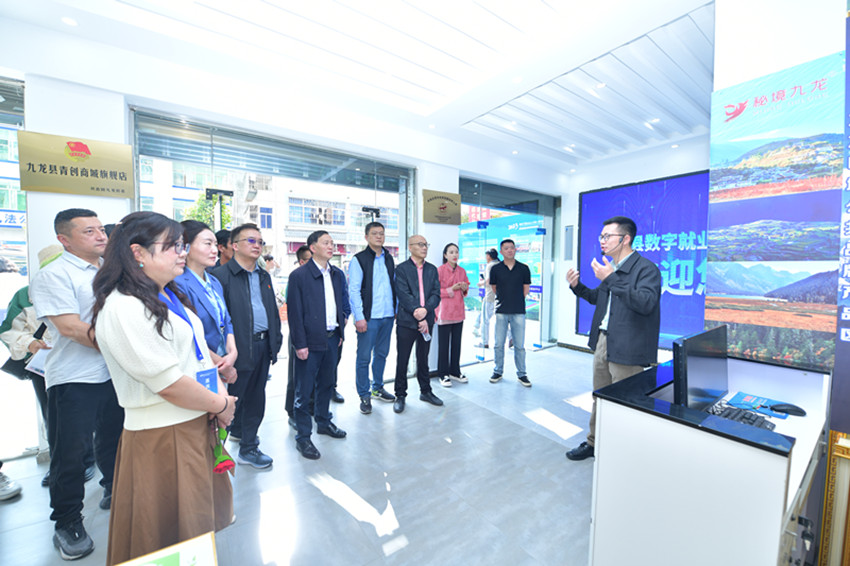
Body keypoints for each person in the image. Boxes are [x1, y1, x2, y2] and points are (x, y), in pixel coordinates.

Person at [90, 211, 236, 566]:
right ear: (138, 252)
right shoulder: (124, 306)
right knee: (165, 538)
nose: (182, 253)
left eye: (183, 245)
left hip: (191, 421)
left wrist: (217, 389)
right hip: (163, 434)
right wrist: (220, 405)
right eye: (173, 246)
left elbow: (192, 355)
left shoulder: (165, 295)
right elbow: (167, 384)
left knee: (192, 531)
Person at [29, 208, 124, 561]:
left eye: (101, 229)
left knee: (115, 441)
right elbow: (70, 327)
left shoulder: (110, 272)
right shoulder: (54, 275)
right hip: (74, 378)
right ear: (64, 239)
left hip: (114, 373)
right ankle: (67, 522)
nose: (101, 236)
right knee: (70, 454)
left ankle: (114, 488)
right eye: (89, 231)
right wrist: (126, 344)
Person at [564, 216, 661, 461]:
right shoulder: (613, 269)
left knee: (626, 401)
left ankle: (623, 450)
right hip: (603, 341)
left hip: (628, 346)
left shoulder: (646, 269)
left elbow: (646, 303)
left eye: (608, 236)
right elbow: (597, 298)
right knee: (600, 396)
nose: (602, 241)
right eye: (601, 236)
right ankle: (594, 442)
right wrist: (576, 286)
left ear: (625, 239)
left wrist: (611, 278)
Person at [211, 223, 282, 469]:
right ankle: (216, 453)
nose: (257, 245)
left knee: (255, 399)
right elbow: (218, 320)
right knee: (228, 403)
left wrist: (275, 341)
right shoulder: (220, 277)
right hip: (235, 351)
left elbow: (271, 311)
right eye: (250, 240)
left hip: (262, 346)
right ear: (234, 245)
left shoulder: (263, 276)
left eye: (260, 242)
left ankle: (249, 447)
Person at [0, 245, 62, 487]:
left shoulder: (84, 289)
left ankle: (86, 460)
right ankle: (58, 466)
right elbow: (8, 330)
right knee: (52, 415)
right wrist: (31, 343)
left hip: (80, 364)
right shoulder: (25, 295)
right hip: (42, 367)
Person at [286, 230, 348, 460]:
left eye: (332, 242)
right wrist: (300, 344)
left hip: (332, 339)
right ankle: (303, 437)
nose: (331, 246)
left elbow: (342, 303)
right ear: (312, 248)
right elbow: (294, 314)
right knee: (303, 392)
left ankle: (323, 422)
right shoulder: (299, 276)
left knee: (326, 384)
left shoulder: (337, 274)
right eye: (326, 243)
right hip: (309, 343)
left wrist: (341, 329)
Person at [174, 220, 238, 384]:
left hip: (222, 361)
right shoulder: (178, 283)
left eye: (215, 244)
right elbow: (189, 335)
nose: (214, 250)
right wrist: (222, 363)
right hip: (200, 364)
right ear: (187, 247)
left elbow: (226, 320)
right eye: (207, 244)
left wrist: (232, 352)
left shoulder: (214, 282)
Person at [348, 221, 397, 415]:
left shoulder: (389, 258)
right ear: (366, 237)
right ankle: (364, 394)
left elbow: (393, 285)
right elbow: (353, 291)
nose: (379, 236)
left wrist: (396, 310)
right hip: (368, 317)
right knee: (364, 358)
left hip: (387, 315)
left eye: (382, 233)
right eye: (375, 233)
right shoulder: (358, 259)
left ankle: (377, 387)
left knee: (382, 354)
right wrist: (359, 317)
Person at [392, 235, 442, 413]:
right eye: (420, 244)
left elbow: (436, 294)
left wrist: (425, 311)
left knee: (423, 358)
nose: (424, 247)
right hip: (407, 322)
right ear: (410, 247)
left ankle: (426, 391)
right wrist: (418, 314)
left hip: (427, 321)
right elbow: (403, 294)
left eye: (426, 244)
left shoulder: (432, 269)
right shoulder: (401, 269)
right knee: (403, 359)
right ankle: (400, 395)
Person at [489, 239, 532, 387]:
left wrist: (515, 299)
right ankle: (498, 371)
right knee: (498, 344)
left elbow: (526, 289)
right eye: (506, 248)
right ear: (501, 251)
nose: (509, 250)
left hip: (518, 311)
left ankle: (522, 374)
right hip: (501, 310)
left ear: (515, 250)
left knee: (519, 345)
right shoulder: (495, 269)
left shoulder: (523, 268)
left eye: (512, 248)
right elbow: (494, 288)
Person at [286, 245, 313, 427]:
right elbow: (294, 311)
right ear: (302, 262)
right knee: (296, 376)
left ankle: (311, 407)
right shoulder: (296, 278)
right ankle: (292, 411)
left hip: (318, 333)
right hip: (300, 333)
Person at [436, 243, 469, 387]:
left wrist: (464, 287)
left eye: (456, 252)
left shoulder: (462, 270)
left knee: (456, 344)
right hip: (445, 312)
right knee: (443, 345)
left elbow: (466, 288)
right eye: (451, 252)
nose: (454, 255)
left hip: (458, 311)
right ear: (445, 255)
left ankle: (455, 371)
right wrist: (451, 289)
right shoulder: (440, 270)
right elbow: (435, 291)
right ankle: (442, 374)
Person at [475, 248, 499, 348]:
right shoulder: (500, 264)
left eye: (486, 255)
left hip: (490, 296)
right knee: (501, 319)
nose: (485, 257)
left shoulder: (490, 265)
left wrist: (481, 283)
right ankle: (511, 337)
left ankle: (484, 342)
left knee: (485, 320)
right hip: (499, 296)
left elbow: (489, 280)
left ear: (489, 256)